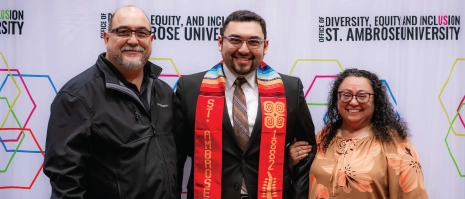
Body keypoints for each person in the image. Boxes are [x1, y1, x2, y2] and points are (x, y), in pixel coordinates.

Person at [174, 10, 316, 199]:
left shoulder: (289, 88)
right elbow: (175, 155)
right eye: (235, 40)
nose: (243, 49)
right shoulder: (191, 88)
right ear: (219, 42)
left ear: (265, 46)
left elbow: (306, 149)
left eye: (253, 42)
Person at [43, 5, 177, 199]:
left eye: (141, 32)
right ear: (107, 39)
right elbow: (65, 183)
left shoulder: (164, 92)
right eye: (123, 32)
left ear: (151, 39)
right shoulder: (77, 97)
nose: (133, 40)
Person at [289, 68, 429, 199]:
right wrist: (291, 161)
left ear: (376, 101)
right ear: (336, 99)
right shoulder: (324, 136)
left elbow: (413, 194)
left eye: (362, 96)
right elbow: (302, 181)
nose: (353, 101)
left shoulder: (394, 142)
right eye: (346, 95)